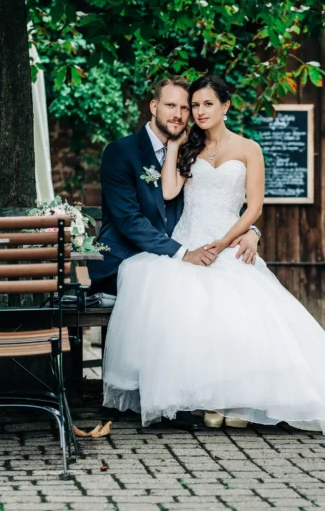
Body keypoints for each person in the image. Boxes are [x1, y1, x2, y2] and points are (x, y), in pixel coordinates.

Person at [102, 75, 325, 435]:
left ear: (226, 106)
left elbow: (253, 206)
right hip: (187, 241)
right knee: (190, 309)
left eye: (203, 104)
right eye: (192, 106)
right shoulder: (184, 147)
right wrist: (178, 144)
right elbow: (167, 196)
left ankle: (239, 398)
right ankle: (205, 399)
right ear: (156, 107)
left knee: (239, 312)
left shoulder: (249, 148)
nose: (194, 112)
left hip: (224, 241)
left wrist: (242, 236)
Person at [90, 76, 260, 430]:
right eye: (174, 105)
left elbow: (225, 204)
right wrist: (183, 253)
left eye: (188, 107)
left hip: (193, 248)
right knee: (177, 290)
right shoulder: (122, 152)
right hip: (129, 258)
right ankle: (177, 398)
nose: (183, 113)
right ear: (154, 107)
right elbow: (130, 221)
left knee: (223, 291)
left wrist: (253, 232)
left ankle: (216, 392)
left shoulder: (191, 148)